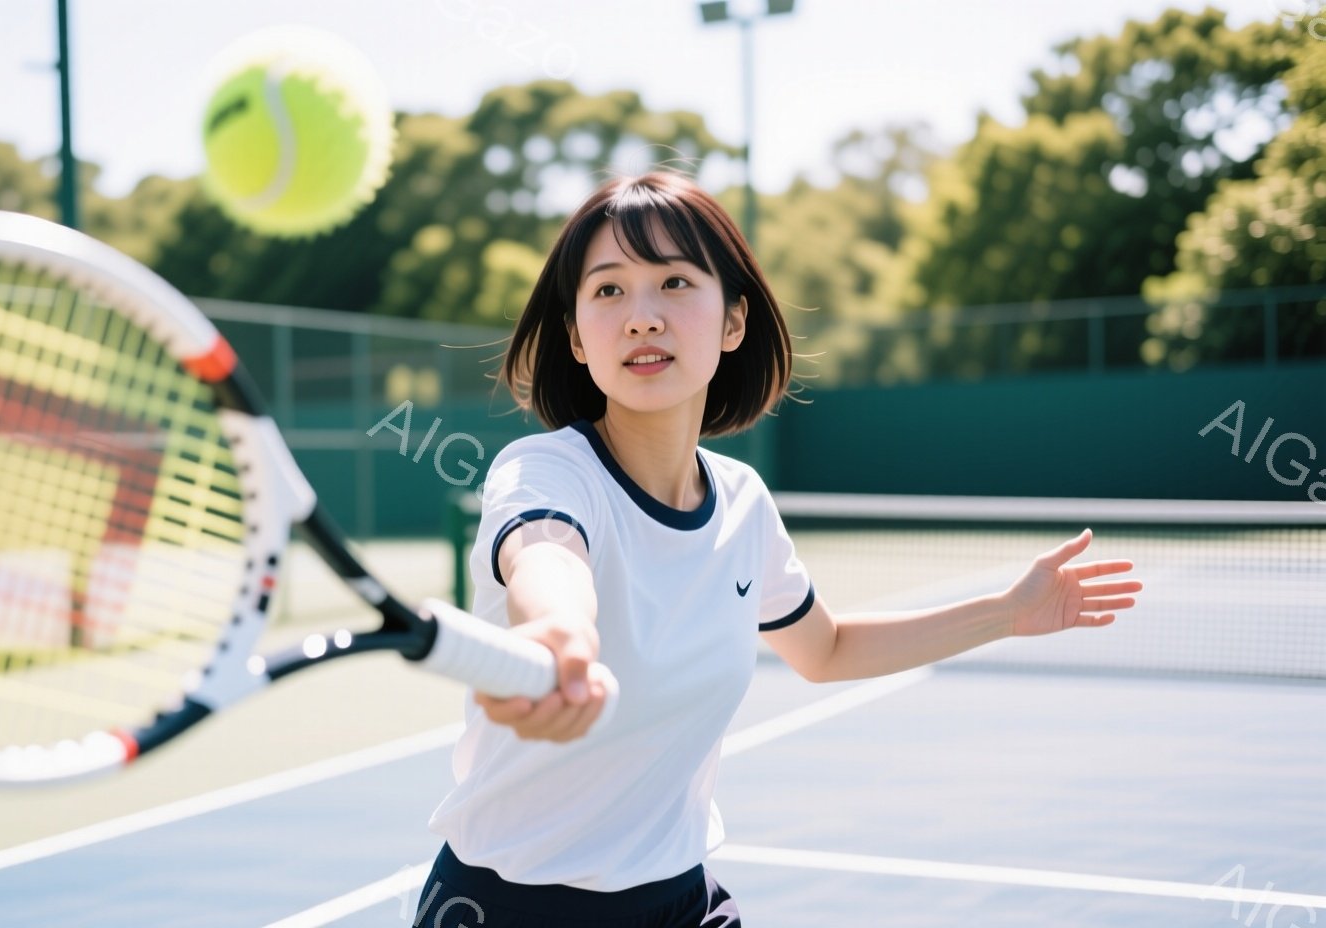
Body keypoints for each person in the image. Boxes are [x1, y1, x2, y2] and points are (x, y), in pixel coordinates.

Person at [414, 170, 1142, 928]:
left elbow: (824, 650)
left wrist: (1006, 613)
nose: (641, 317)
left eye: (673, 282)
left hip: (679, 899)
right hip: (509, 906)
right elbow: (547, 561)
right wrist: (556, 637)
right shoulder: (544, 472)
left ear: (733, 321)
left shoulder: (742, 504)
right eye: (608, 291)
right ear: (575, 336)